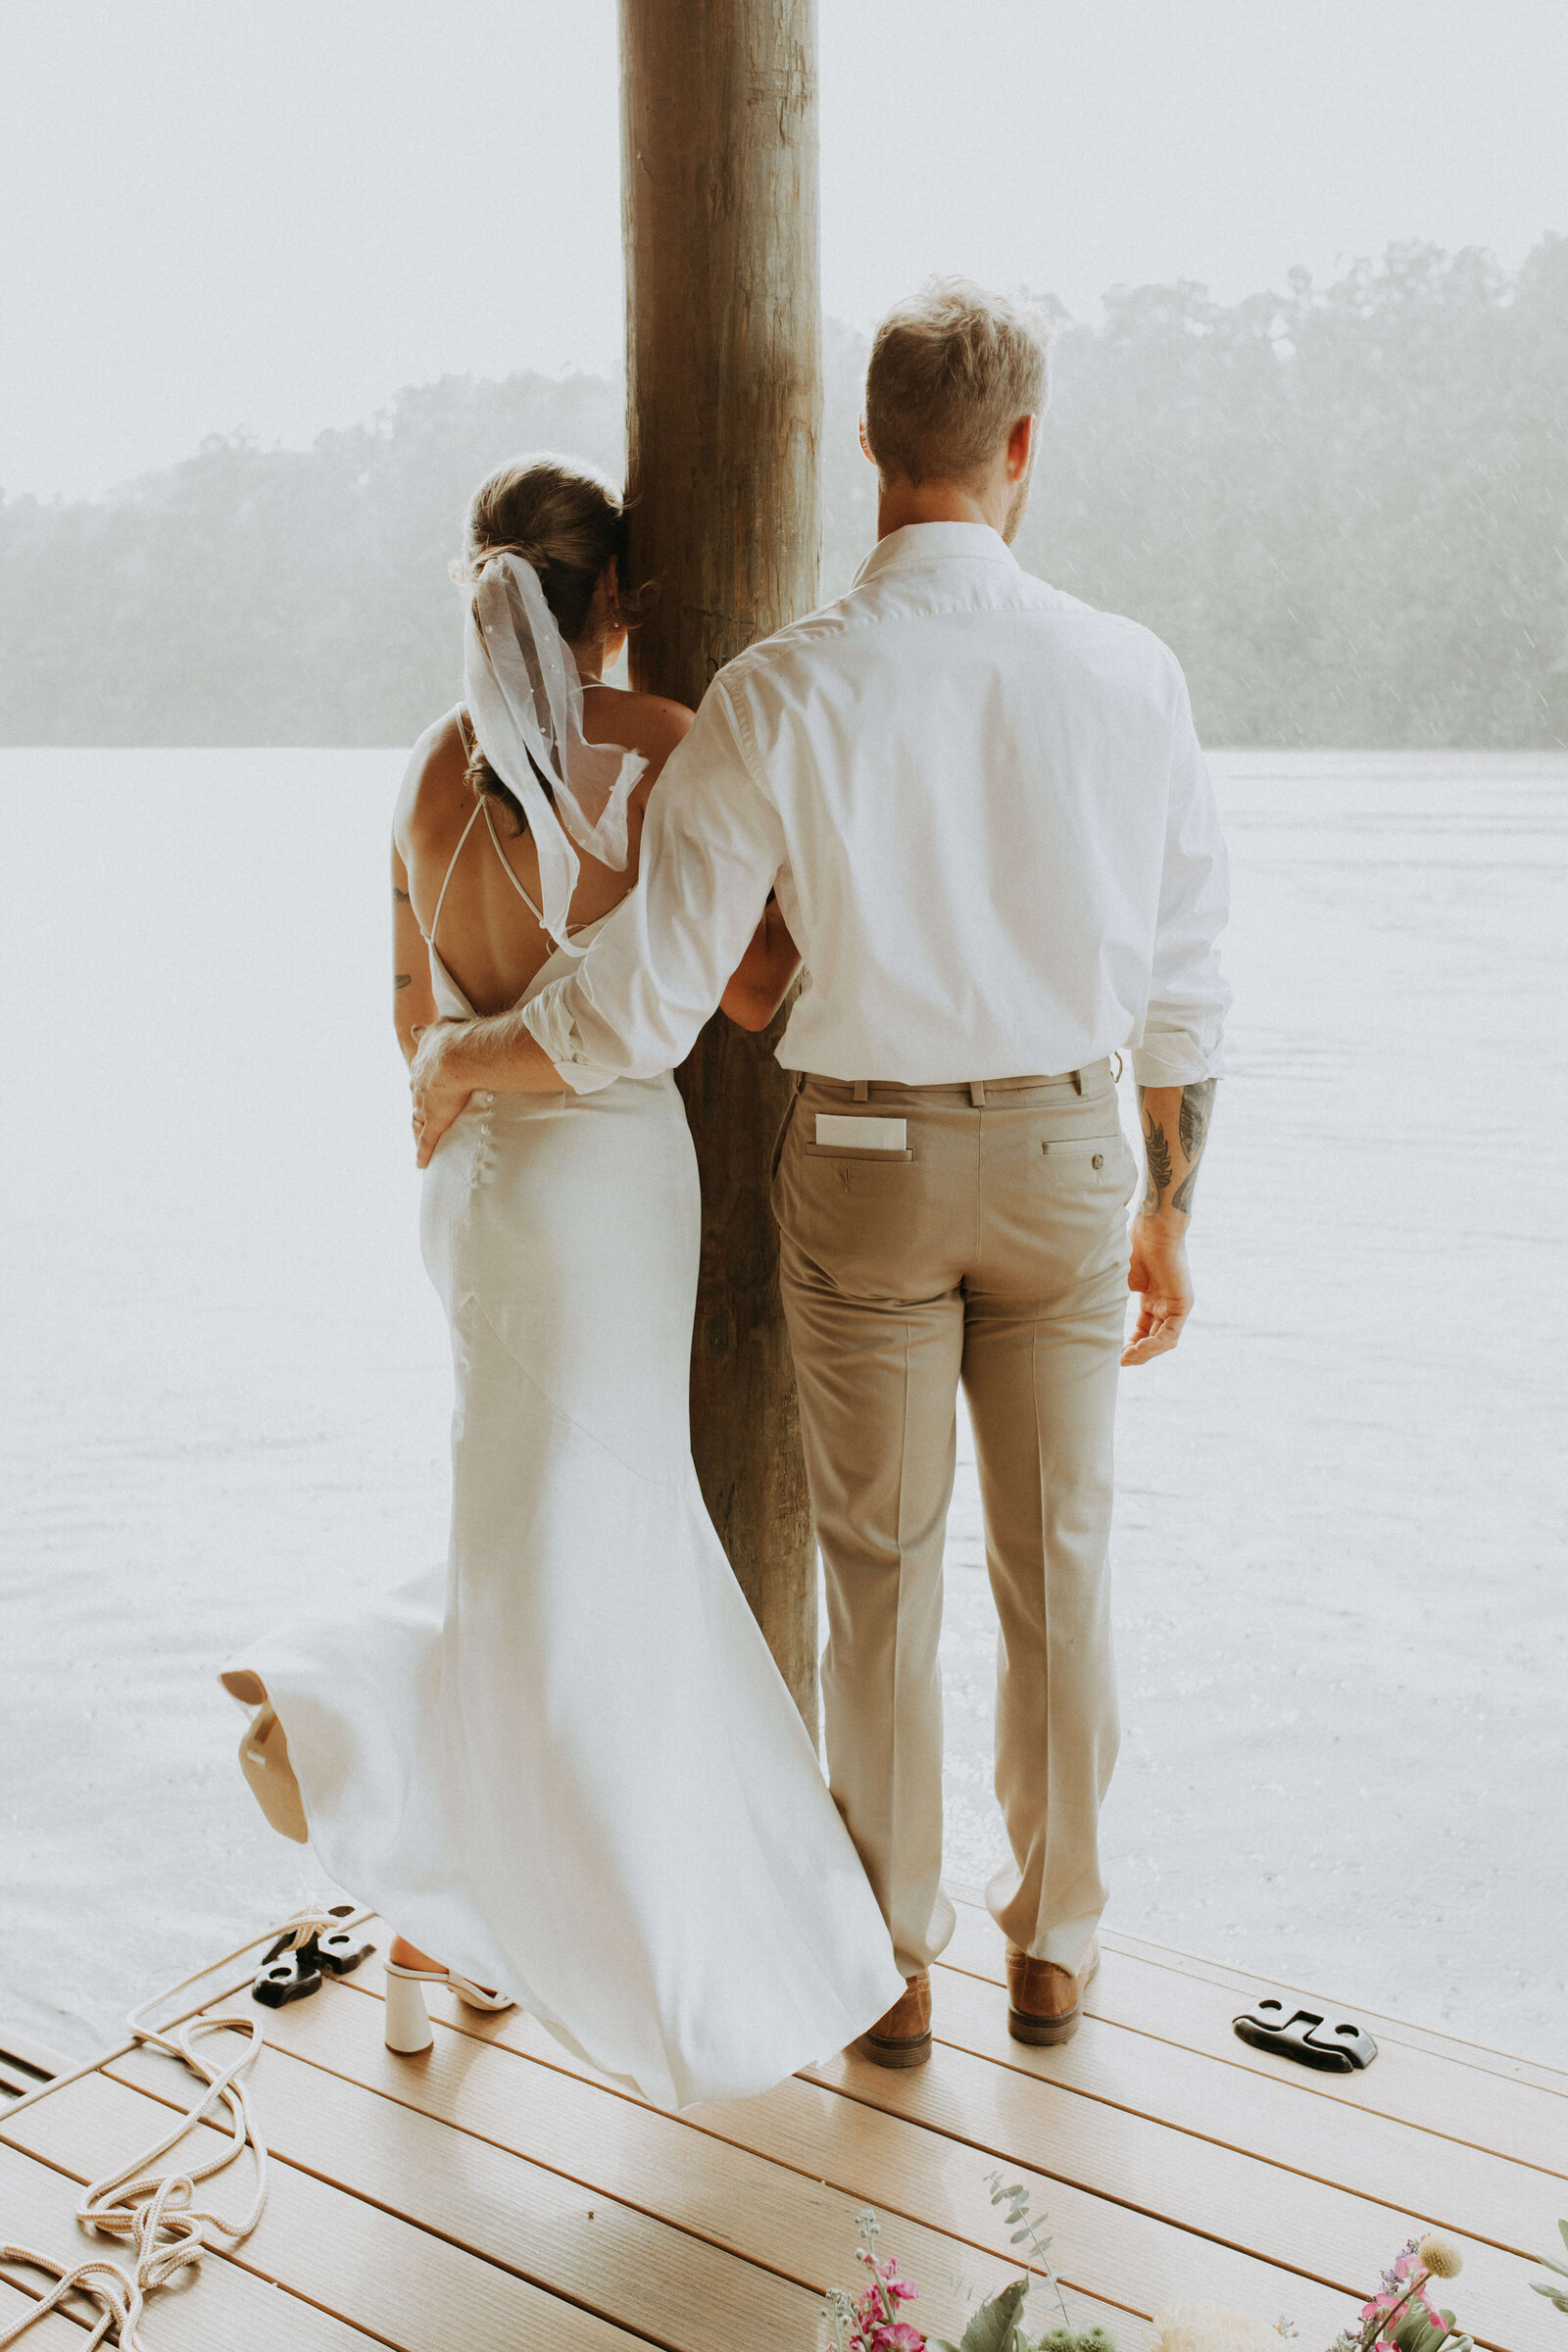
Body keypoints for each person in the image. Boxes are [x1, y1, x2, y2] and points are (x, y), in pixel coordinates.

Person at [409, 283, 1232, 2069]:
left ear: (869, 450)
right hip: (1078, 1153)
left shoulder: (780, 694)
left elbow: (644, 1003)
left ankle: (893, 1958)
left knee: (882, 1571)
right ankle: (1062, 1946)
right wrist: (1170, 1204)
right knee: (1062, 1564)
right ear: (1021, 453)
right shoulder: (1132, 672)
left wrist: (469, 1052)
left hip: (861, 1156)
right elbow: (1184, 974)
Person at [220, 454, 903, 2109]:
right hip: (605, 1184)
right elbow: (744, 996)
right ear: (615, 607)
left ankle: (427, 1906)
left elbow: (414, 1027)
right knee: (596, 1552)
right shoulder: (661, 751)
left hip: (474, 1197)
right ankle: (389, 1760)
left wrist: (473, 1066)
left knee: (526, 1548)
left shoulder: (420, 781)